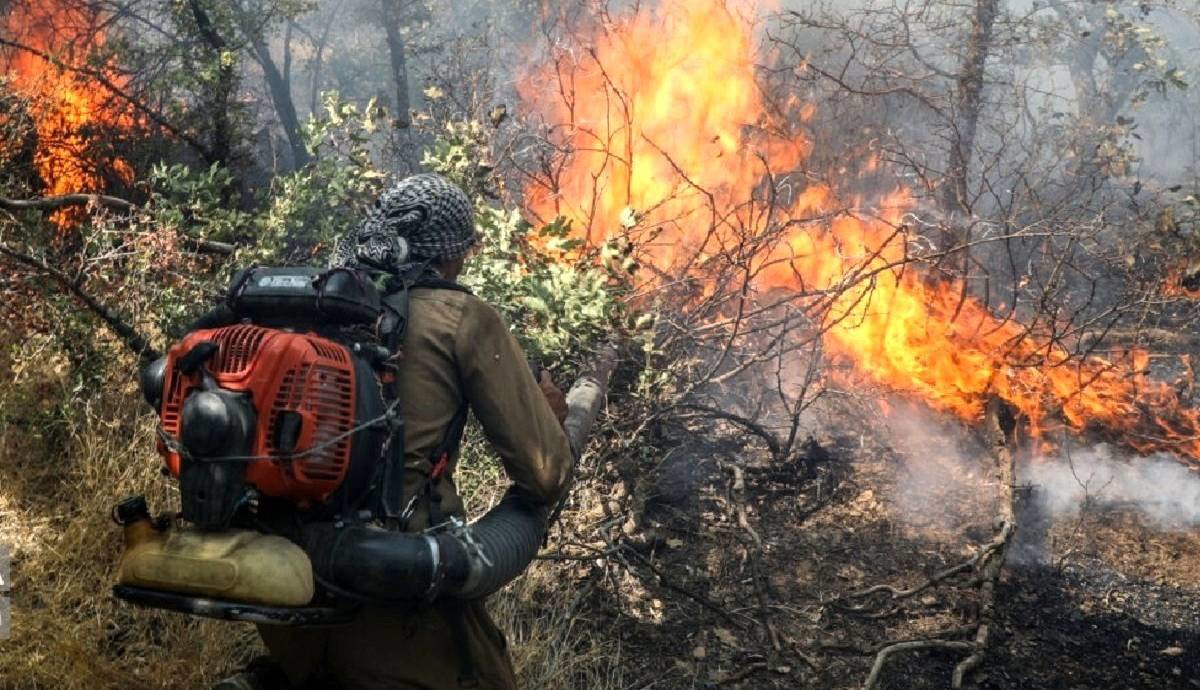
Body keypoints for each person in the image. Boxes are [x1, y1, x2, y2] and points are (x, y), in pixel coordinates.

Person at [224, 174, 574, 690]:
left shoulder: (309, 305)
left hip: (286, 589)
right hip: (399, 596)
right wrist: (550, 418)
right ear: (449, 254)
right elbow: (545, 474)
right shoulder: (460, 317)